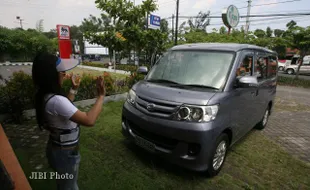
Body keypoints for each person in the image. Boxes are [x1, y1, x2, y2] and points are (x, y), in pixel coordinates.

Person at [32, 52, 106, 190]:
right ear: (51, 76)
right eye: (62, 72)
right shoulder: (56, 100)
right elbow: (89, 120)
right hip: (65, 154)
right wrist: (101, 96)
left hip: (56, 149)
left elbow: (63, 109)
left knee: (66, 183)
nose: (65, 75)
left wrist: (74, 89)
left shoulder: (45, 95)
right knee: (68, 187)